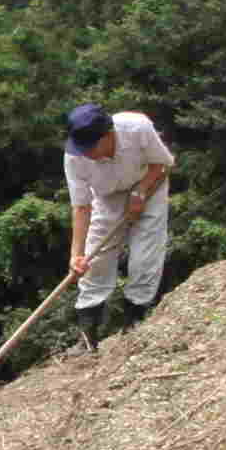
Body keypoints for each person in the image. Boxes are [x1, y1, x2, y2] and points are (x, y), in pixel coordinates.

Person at [59, 101, 173, 338]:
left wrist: (140, 192)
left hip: (148, 185)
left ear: (109, 135)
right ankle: (88, 334)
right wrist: (76, 255)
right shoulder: (75, 156)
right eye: (82, 148)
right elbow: (81, 206)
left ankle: (135, 323)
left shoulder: (137, 128)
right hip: (107, 197)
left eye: (91, 147)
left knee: (144, 255)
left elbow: (161, 163)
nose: (86, 154)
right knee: (95, 260)